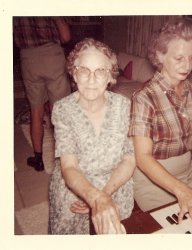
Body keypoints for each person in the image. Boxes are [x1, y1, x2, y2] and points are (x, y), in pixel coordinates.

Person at [129, 16, 192, 228]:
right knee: (186, 227)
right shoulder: (144, 98)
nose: (187, 66)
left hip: (189, 169)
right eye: (179, 58)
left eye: (191, 57)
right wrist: (182, 191)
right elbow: (143, 158)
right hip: (152, 179)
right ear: (160, 55)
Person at [48, 38, 135, 234]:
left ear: (110, 76)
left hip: (114, 187)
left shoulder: (124, 106)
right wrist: (91, 197)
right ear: (74, 73)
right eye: (84, 70)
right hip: (75, 193)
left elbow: (129, 159)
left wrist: (101, 197)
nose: (91, 79)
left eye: (100, 71)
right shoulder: (62, 110)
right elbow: (69, 167)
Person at [13, 17, 71, 171]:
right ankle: (64, 159)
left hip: (28, 58)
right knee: (59, 109)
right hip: (52, 56)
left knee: (36, 110)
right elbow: (66, 37)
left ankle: (38, 159)